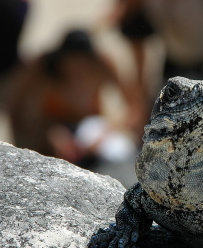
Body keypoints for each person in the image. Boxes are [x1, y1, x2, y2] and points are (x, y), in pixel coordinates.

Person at [7, 29, 138, 169]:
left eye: (82, 63)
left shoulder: (103, 66)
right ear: (61, 60)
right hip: (49, 132)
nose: (77, 69)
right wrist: (46, 135)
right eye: (71, 62)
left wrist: (104, 135)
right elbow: (13, 106)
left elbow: (135, 108)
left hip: (90, 132)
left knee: (118, 151)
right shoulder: (40, 68)